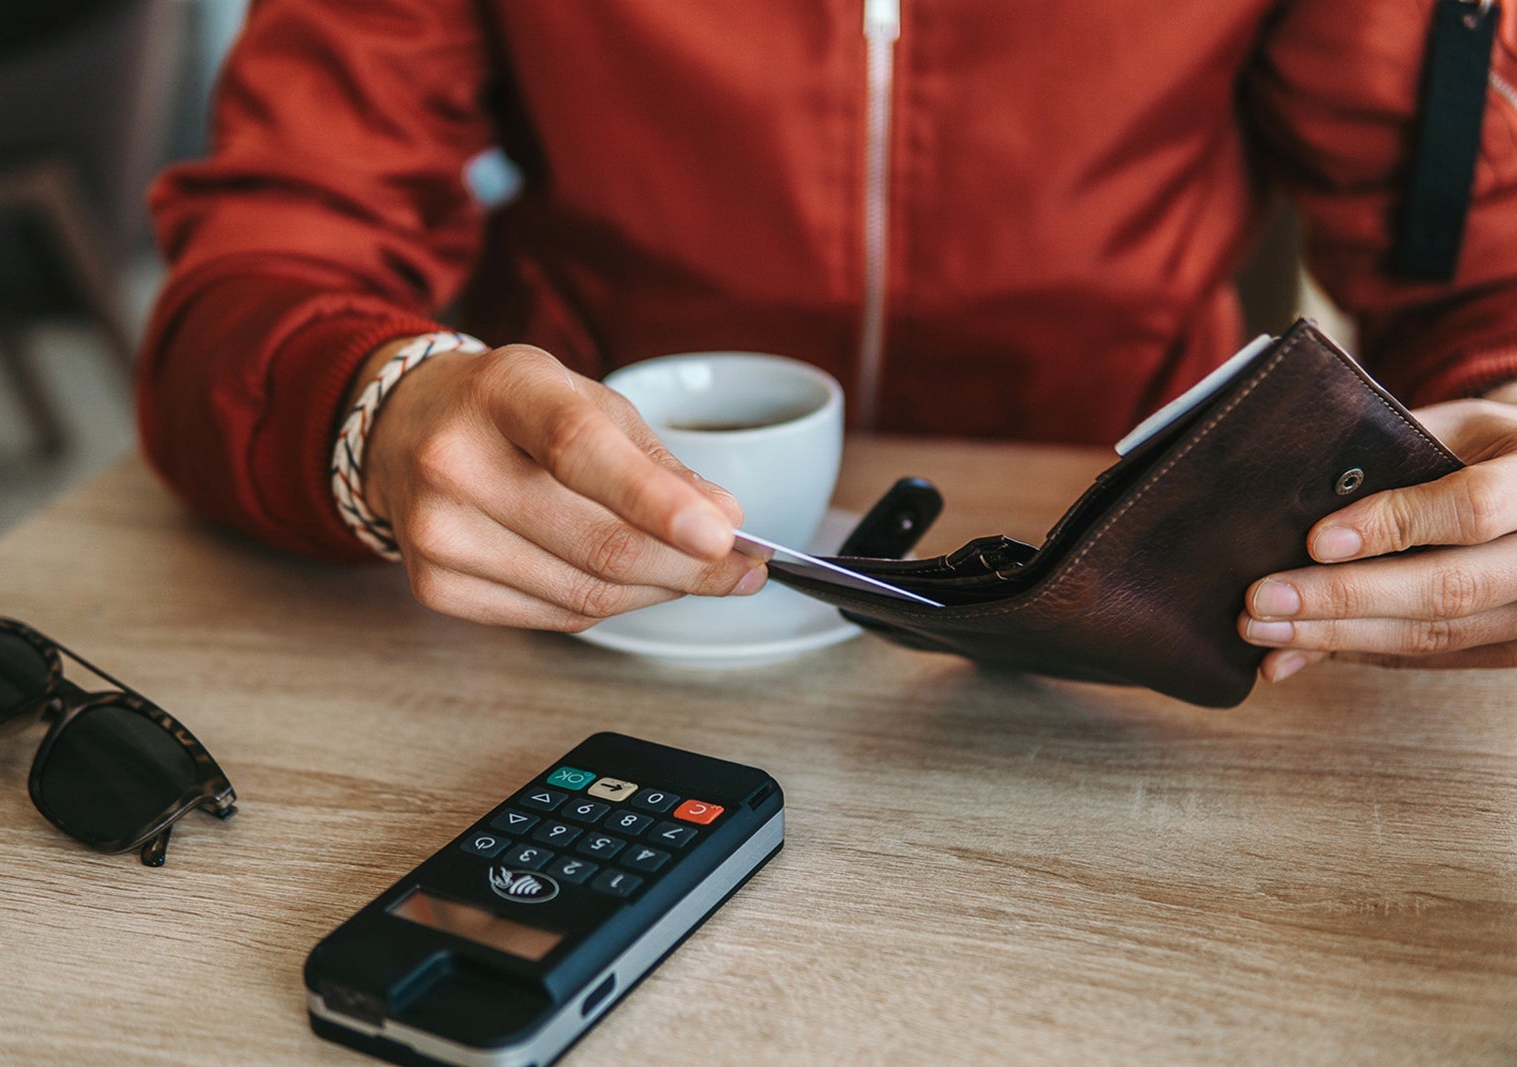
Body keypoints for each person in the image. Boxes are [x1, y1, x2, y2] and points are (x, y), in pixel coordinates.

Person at [138, 1, 1517, 685]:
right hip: (568, 616)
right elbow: (270, 258)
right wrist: (377, 414)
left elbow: (1483, 271)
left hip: (1128, 612)